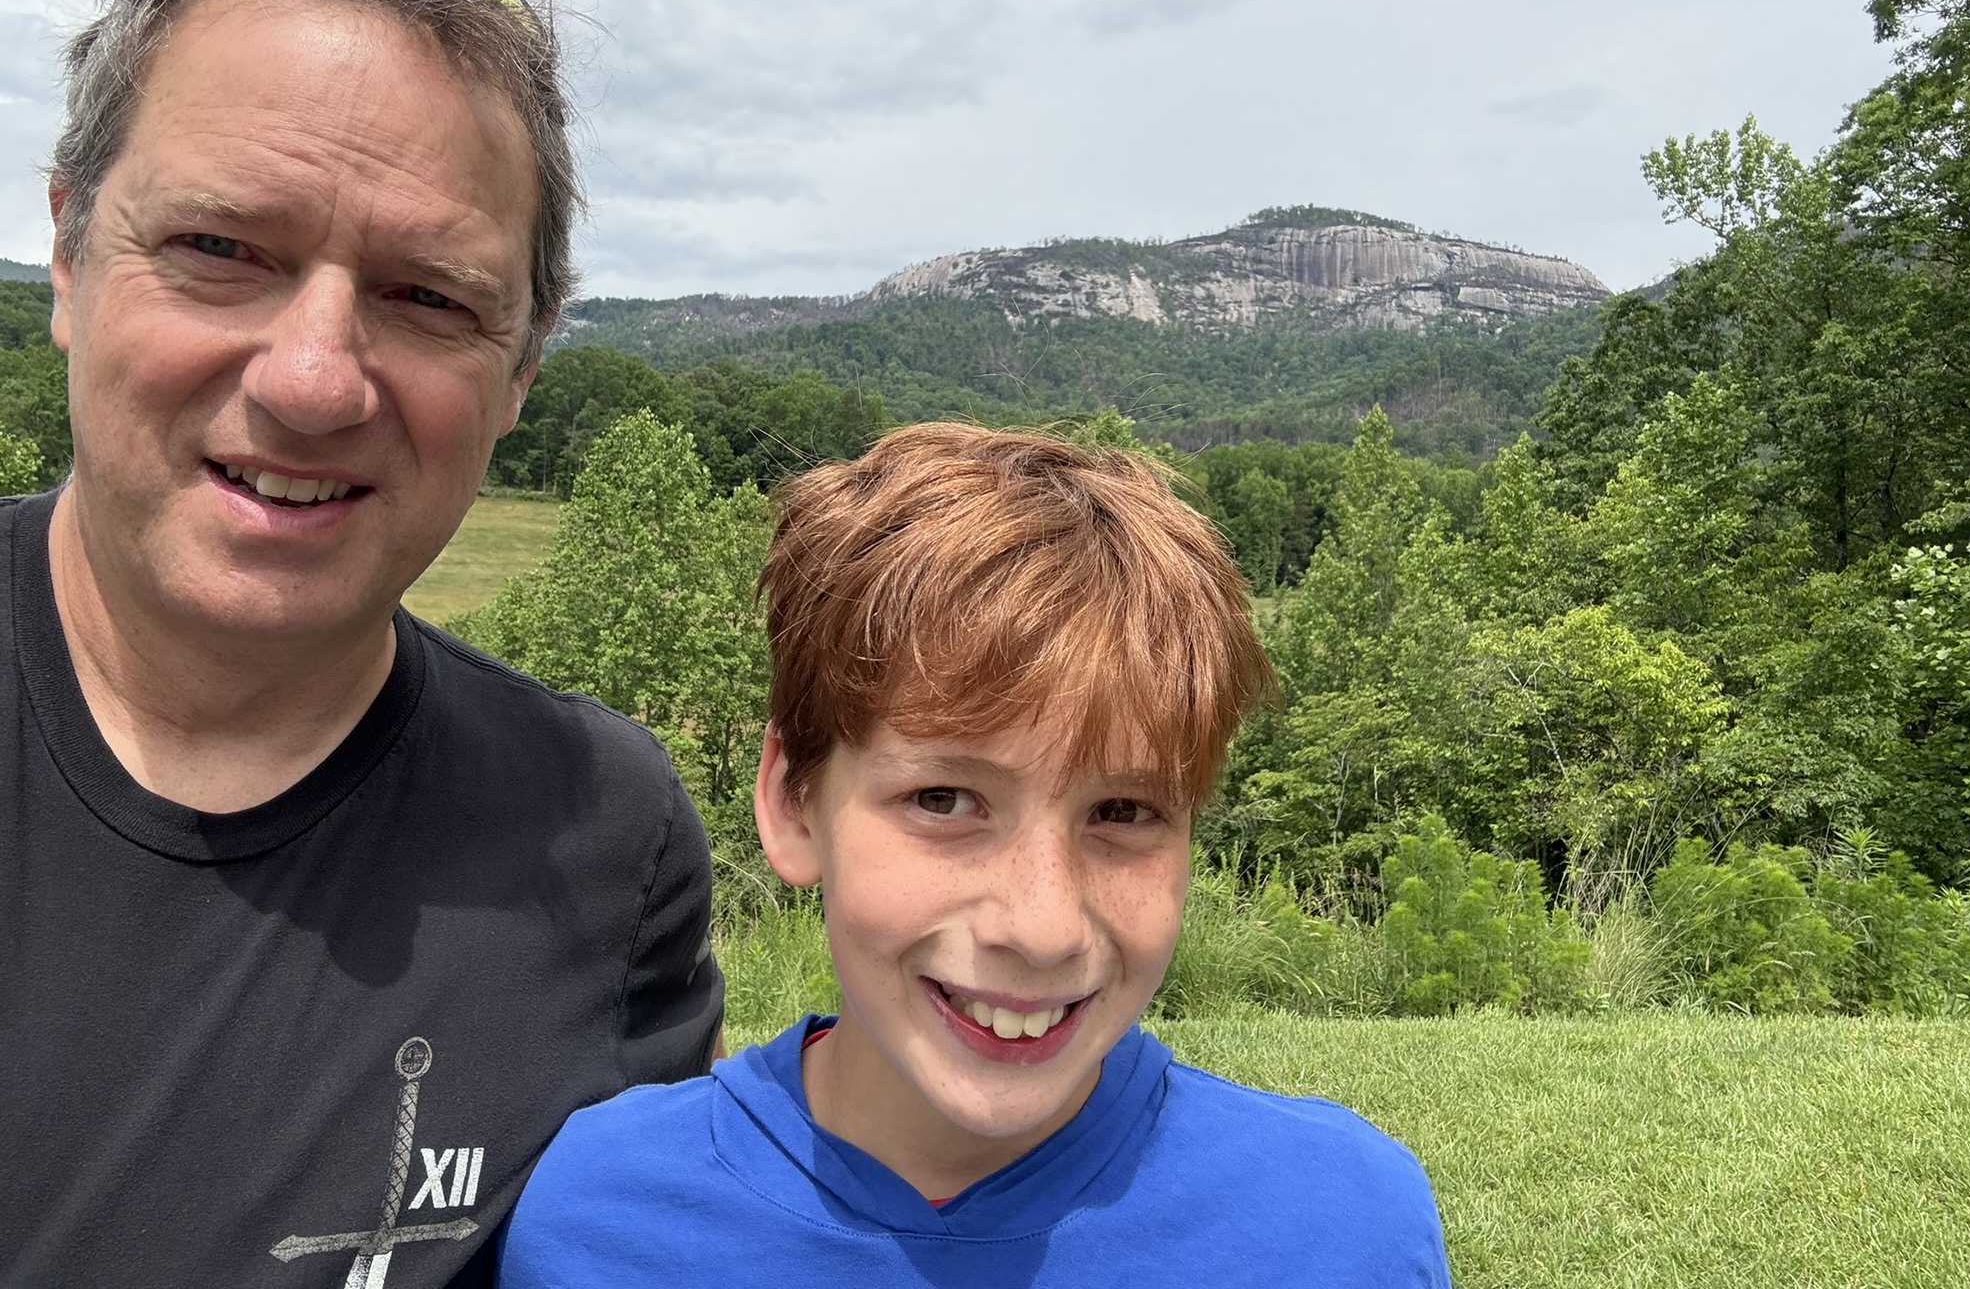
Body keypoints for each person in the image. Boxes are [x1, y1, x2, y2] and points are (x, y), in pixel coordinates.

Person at [0, 0, 722, 1288]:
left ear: (522, 369)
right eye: (220, 245)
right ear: (70, 254)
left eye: (427, 296)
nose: (316, 378)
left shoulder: (598, 836)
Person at [498, 422, 1451, 1287]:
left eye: (1122, 811)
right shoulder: (601, 1218)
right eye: (944, 800)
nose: (1041, 927)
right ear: (793, 803)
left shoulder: (1342, 1230)